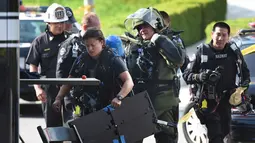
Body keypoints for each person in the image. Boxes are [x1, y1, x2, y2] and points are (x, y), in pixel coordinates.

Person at [124, 7, 185, 143]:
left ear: (155, 25)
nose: (142, 29)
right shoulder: (134, 45)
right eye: (139, 27)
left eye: (146, 25)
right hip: (140, 102)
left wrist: (159, 39)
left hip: (164, 102)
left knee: (167, 139)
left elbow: (179, 60)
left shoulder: (169, 40)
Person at [182, 22, 250, 143]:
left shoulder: (233, 51)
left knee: (226, 134)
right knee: (216, 137)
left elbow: (246, 75)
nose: (220, 38)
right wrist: (200, 76)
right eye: (218, 34)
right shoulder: (202, 51)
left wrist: (240, 91)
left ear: (228, 37)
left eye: (224, 35)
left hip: (227, 103)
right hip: (207, 104)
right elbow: (187, 75)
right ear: (212, 34)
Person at [53, 28, 134, 113]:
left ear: (102, 42)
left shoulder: (113, 58)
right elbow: (70, 81)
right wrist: (58, 98)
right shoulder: (81, 59)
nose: (90, 49)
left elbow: (129, 81)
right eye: (87, 46)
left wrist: (119, 97)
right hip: (88, 108)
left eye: (93, 45)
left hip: (111, 107)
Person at [25, 3, 69, 139]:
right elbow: (33, 67)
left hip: (69, 90)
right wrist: (37, 89)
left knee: (71, 125)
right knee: (53, 129)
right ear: (49, 22)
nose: (60, 26)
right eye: (56, 23)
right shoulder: (39, 42)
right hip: (49, 91)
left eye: (62, 22)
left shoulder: (72, 40)